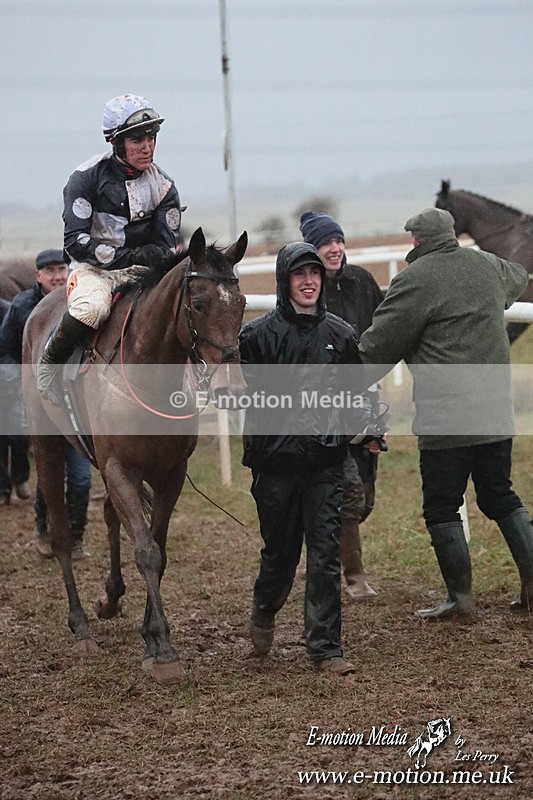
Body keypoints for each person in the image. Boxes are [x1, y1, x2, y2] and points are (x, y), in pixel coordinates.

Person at [358, 207, 533, 618]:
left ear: (416, 241)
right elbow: (519, 277)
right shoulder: (489, 266)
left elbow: (377, 348)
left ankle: (461, 600)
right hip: (495, 414)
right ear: (452, 233)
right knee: (500, 496)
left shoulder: (413, 281)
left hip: (446, 420)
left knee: (442, 505)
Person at [239, 241, 372, 676]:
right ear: (285, 280)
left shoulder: (341, 334)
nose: (309, 281)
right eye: (300, 274)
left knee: (325, 554)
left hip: (324, 466)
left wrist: (367, 427)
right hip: (274, 468)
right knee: (279, 556)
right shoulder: (256, 337)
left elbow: (355, 396)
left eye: (314, 273)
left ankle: (325, 649)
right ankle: (264, 608)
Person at [37, 94, 183, 405]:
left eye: (152, 137)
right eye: (137, 139)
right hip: (93, 270)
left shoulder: (165, 186)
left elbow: (166, 244)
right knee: (92, 309)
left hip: (141, 271)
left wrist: (159, 254)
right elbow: (74, 241)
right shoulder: (84, 179)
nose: (147, 147)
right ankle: (50, 363)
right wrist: (129, 257)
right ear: (115, 142)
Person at [299, 210, 385, 600]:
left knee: (363, 496)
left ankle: (329, 551)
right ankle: (353, 577)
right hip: (325, 405)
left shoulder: (363, 282)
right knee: (347, 492)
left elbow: (385, 328)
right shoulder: (304, 288)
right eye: (325, 243)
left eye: (338, 241)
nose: (334, 249)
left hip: (364, 401)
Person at [0, 249, 92, 557]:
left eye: (61, 269)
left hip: (77, 406)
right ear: (37, 276)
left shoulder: (82, 301)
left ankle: (76, 536)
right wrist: (22, 383)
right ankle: (45, 529)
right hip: (39, 402)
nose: (57, 275)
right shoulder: (23, 308)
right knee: (48, 475)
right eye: (49, 271)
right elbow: (7, 350)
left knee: (80, 479)